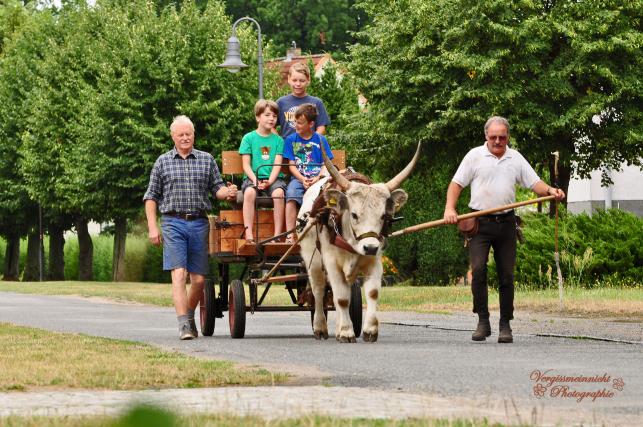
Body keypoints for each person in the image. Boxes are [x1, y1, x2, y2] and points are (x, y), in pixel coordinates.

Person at [443, 116, 565, 343]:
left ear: (507, 136)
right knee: (478, 270)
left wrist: (550, 190)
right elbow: (456, 184)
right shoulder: (474, 156)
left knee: (506, 275)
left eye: (502, 137)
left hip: (507, 224)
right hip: (478, 223)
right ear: (486, 136)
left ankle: (505, 324)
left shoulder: (515, 158)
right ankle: (482, 321)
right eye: (493, 137)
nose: (498, 141)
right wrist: (450, 208)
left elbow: (534, 183)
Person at [144, 115, 237, 340]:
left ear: (194, 135)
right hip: (172, 222)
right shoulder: (162, 162)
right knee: (179, 273)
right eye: (181, 135)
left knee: (197, 280)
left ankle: (188, 315)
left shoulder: (206, 160)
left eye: (189, 134)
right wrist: (152, 228)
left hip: (198, 222)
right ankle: (183, 325)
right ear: (173, 136)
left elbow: (217, 189)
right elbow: (151, 197)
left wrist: (229, 192)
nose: (185, 138)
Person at [283, 103, 333, 243]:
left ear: (311, 124)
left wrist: (318, 178)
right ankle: (290, 235)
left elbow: (325, 164)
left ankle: (326, 235)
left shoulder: (320, 139)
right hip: (299, 179)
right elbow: (291, 165)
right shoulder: (291, 140)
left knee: (329, 197)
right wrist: (302, 178)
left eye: (300, 123)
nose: (296, 125)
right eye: (295, 122)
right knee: (291, 194)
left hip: (319, 180)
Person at [239, 100, 287, 242]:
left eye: (274, 116)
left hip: (273, 178)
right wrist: (255, 180)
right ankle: (249, 234)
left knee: (279, 193)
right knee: (249, 192)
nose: (272, 118)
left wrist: (269, 182)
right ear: (258, 117)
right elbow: (246, 165)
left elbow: (277, 164)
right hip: (253, 177)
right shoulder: (248, 138)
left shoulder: (278, 140)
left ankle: (277, 234)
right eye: (267, 115)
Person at [277, 62, 330, 139]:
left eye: (302, 81)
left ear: (308, 80)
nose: (298, 84)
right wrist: (279, 141)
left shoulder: (316, 103)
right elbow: (271, 126)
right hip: (286, 148)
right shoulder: (281, 102)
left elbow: (321, 127)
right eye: (294, 80)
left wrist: (312, 141)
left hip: (309, 148)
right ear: (289, 79)